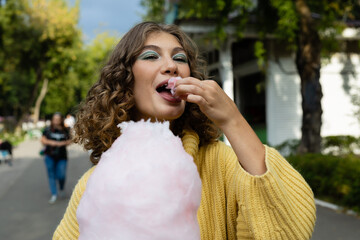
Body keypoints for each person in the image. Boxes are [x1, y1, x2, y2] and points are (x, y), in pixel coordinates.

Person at [53, 22, 316, 239]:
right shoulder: (94, 184)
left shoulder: (220, 163)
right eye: (151, 55)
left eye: (179, 58)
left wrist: (232, 120)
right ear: (125, 80)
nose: (172, 66)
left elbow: (290, 231)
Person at [41, 112, 72, 204]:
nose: (56, 121)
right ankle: (54, 194)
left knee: (61, 175)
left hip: (62, 156)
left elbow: (71, 140)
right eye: (54, 119)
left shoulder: (66, 130)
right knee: (51, 175)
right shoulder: (47, 129)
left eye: (58, 119)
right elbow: (43, 140)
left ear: (61, 120)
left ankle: (61, 188)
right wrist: (52, 143)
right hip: (49, 155)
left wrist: (63, 143)